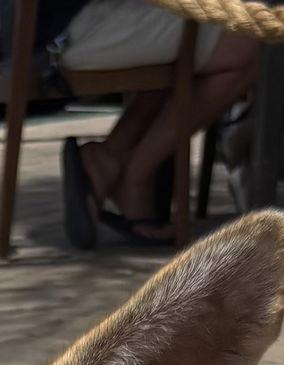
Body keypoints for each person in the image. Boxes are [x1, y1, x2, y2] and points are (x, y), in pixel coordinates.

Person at [55, 0, 261, 245]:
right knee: (248, 47)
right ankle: (135, 174)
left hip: (41, 29)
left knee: (191, 34)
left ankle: (111, 158)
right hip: (67, 33)